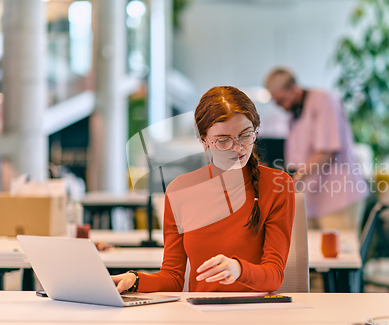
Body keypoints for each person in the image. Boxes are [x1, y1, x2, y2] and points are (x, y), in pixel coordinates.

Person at [112, 86, 295, 293]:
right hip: (199, 316)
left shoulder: (277, 184)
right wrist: (135, 280)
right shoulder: (179, 191)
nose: (238, 147)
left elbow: (274, 277)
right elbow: (172, 277)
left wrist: (238, 269)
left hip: (255, 315)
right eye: (224, 140)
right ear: (204, 140)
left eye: (245, 135)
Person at [264, 67, 368, 232]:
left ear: (294, 89)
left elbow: (326, 151)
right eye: (276, 103)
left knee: (338, 255)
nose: (280, 107)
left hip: (338, 197)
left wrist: (294, 179)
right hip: (312, 200)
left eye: (282, 101)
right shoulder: (293, 112)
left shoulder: (323, 100)